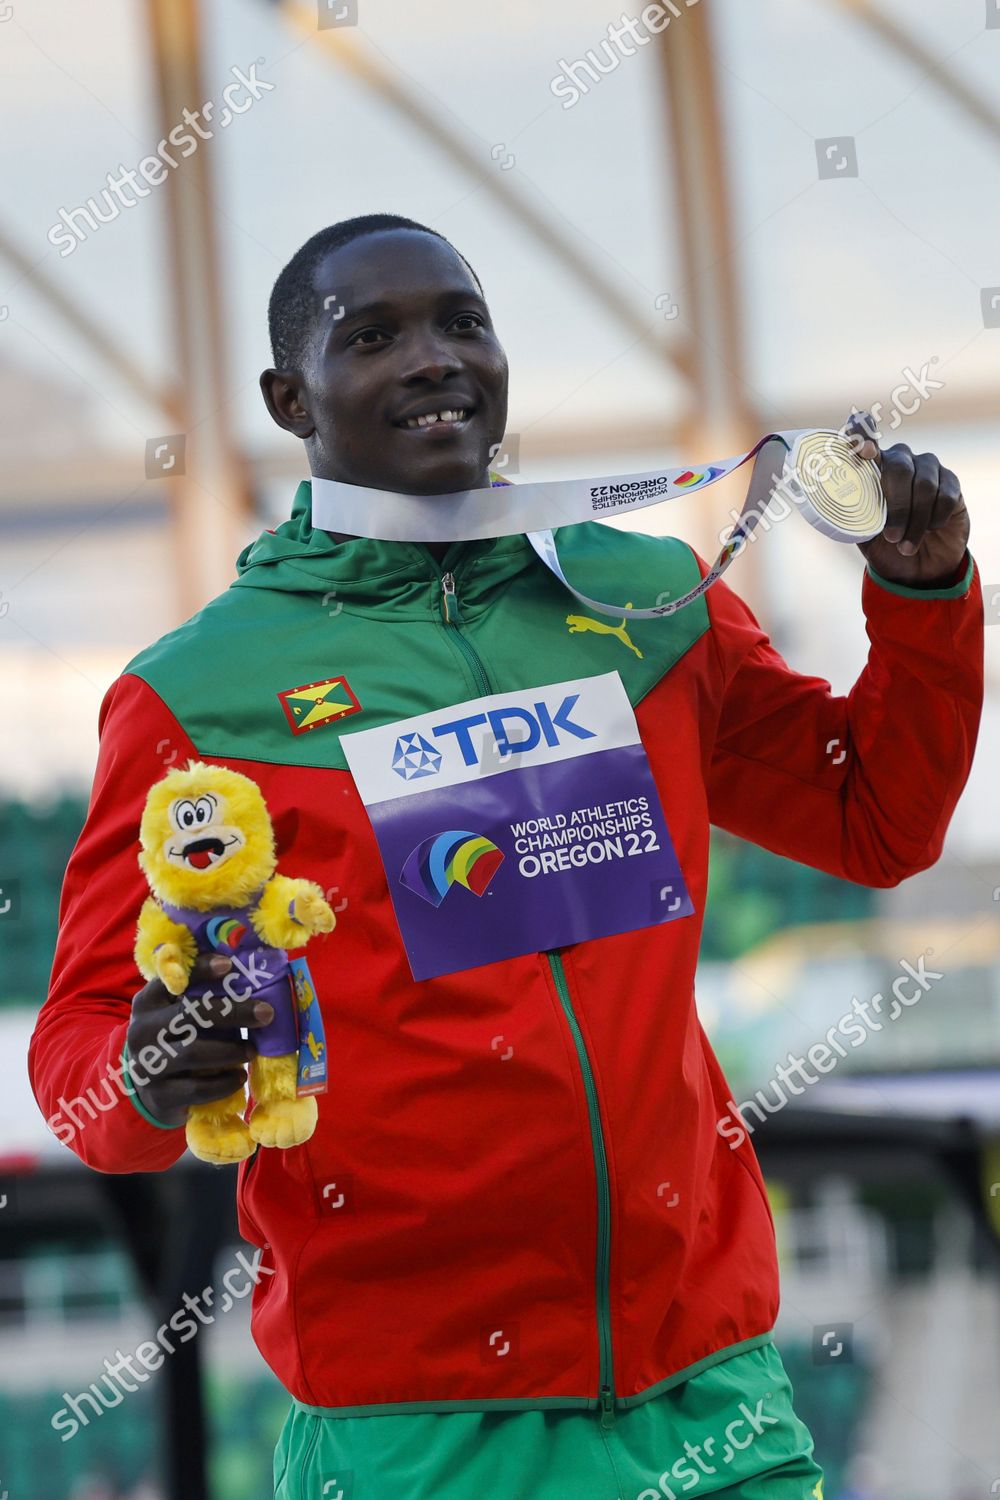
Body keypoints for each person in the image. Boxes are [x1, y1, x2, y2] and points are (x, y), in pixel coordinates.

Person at [28, 213, 983, 1499]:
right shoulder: (204, 695)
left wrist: (924, 600)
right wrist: (148, 1070)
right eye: (372, 338)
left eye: (460, 323)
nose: (432, 359)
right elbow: (84, 1071)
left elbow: (873, 822)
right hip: (418, 1429)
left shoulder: (643, 599)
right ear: (287, 396)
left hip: (708, 1394)